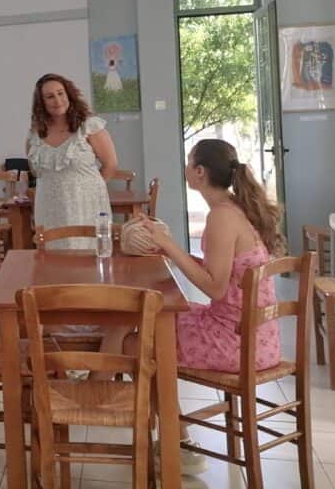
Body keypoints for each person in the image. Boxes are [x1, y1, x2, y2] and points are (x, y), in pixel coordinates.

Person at [103, 138, 284, 474]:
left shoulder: (221, 216)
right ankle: (101, 389)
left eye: (189, 162)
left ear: (200, 172)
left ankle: (176, 441)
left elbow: (215, 287)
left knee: (135, 342)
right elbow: (222, 271)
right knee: (140, 320)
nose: (185, 168)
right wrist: (169, 250)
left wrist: (168, 244)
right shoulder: (234, 208)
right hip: (259, 338)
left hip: (236, 342)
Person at [26, 73, 118, 248]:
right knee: (52, 257)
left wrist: (89, 188)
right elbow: (35, 170)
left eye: (60, 93)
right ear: (41, 102)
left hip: (85, 205)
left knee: (87, 253)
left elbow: (111, 164)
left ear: (68, 94)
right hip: (49, 208)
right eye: (50, 96)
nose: (57, 100)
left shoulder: (89, 126)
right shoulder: (35, 134)